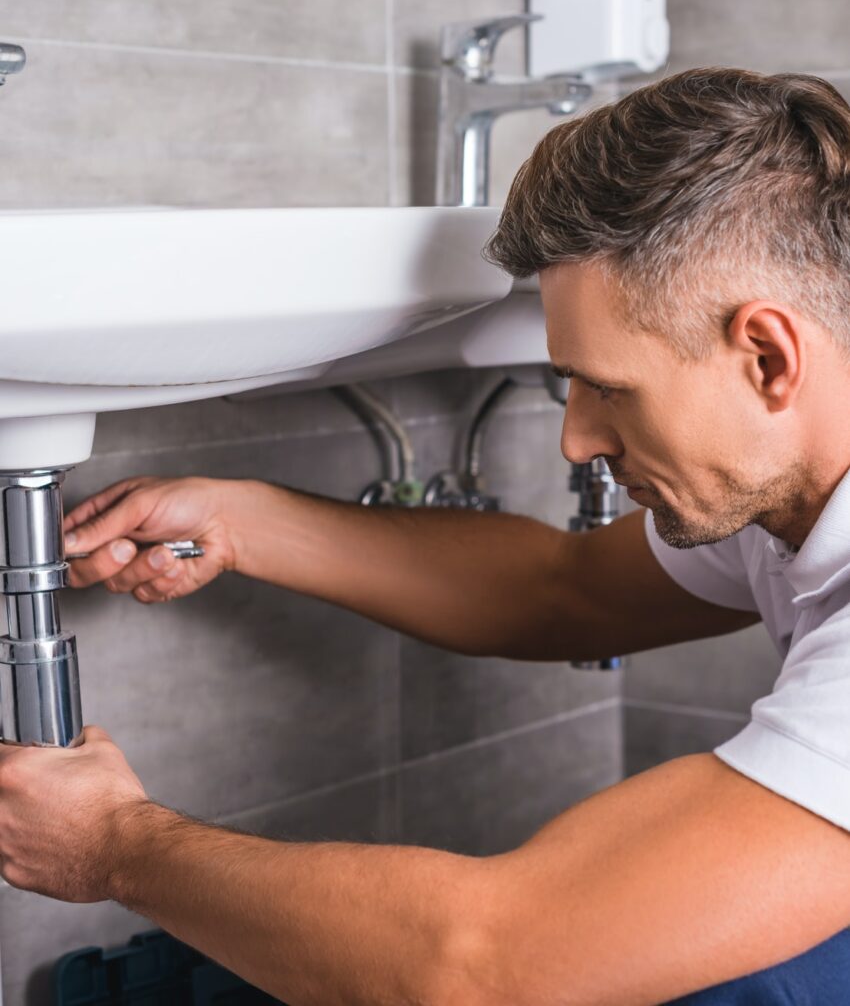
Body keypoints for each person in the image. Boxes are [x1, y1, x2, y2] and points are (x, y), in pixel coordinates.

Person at [3, 66, 850, 1006]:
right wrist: (241, 520)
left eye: (609, 388)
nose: (577, 438)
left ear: (769, 358)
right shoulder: (790, 484)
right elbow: (561, 590)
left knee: (702, 981)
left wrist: (116, 847)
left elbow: (487, 967)